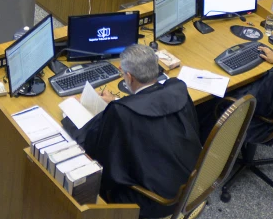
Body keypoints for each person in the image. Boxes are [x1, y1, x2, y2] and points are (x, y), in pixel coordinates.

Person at [69, 44, 202, 219]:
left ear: (129, 78)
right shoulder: (177, 88)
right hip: (192, 182)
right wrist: (118, 101)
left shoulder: (121, 113)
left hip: (157, 202)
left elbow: (99, 154)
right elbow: (153, 104)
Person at [198, 19, 273, 144]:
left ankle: (203, 148)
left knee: (210, 100)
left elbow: (255, 105)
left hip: (259, 123)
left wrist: (228, 87)